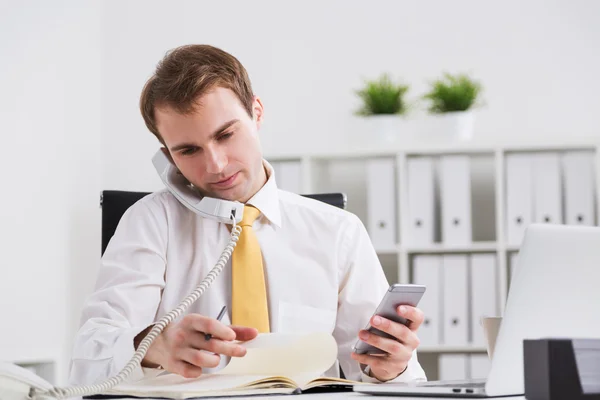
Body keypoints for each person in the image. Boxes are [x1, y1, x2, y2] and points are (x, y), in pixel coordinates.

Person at [69, 44, 427, 385]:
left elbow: (377, 373)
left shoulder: (339, 232)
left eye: (225, 135)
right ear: (167, 156)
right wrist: (152, 345)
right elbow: (88, 362)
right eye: (189, 150)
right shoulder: (149, 222)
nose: (216, 165)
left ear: (256, 112)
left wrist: (390, 367)